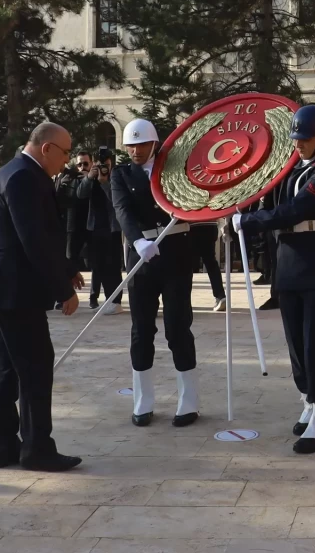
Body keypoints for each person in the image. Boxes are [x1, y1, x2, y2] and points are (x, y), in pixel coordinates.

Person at [0, 121, 85, 472]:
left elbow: (40, 233)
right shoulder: (24, 177)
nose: (66, 160)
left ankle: (3, 446)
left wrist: (66, 267)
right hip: (16, 289)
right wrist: (63, 291)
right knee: (35, 369)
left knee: (4, 370)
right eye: (65, 152)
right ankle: (37, 449)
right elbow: (32, 240)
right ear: (47, 148)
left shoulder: (16, 171)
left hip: (3, 287)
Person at [235, 105, 315, 454]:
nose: (299, 145)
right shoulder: (294, 170)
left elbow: (295, 211)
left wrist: (252, 221)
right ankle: (309, 400)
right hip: (291, 265)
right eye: (296, 139)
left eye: (306, 139)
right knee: (296, 343)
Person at [110, 118, 201, 428]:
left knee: (177, 327)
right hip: (142, 256)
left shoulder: (174, 168)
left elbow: (197, 196)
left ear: (154, 144)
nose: (135, 151)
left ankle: (188, 402)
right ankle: (143, 403)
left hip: (175, 253)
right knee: (141, 330)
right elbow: (122, 209)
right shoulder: (122, 174)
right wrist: (137, 241)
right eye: (130, 146)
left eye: (141, 145)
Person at [73, 150, 125, 312]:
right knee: (98, 266)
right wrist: (90, 177)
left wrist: (105, 182)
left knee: (113, 267)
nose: (104, 168)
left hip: (113, 229)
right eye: (101, 165)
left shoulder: (116, 177)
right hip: (94, 229)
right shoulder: (90, 178)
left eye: (107, 166)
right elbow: (80, 194)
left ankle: (115, 301)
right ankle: (101, 299)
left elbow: (117, 200)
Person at [191, 223, 228, 312]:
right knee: (211, 262)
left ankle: (184, 299)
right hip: (209, 225)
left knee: (188, 265)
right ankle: (220, 295)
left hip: (191, 224)